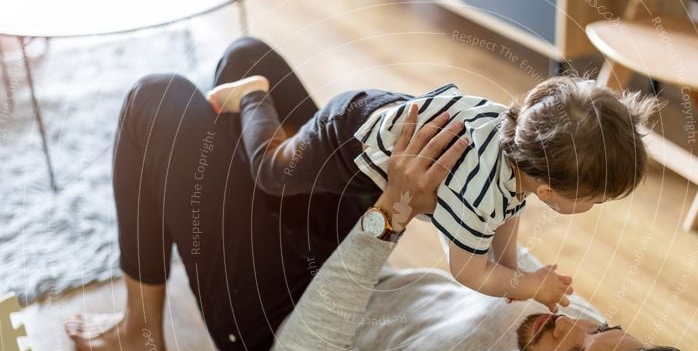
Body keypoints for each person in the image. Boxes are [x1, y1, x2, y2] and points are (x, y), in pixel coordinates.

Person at [65, 37, 690, 351]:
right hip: (355, 263)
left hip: (278, 331)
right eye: (599, 326)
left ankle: (140, 331)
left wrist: (393, 211)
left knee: (156, 99)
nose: (567, 324)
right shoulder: (579, 345)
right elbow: (504, 247)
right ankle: (250, 150)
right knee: (250, 57)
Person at [208, 74, 659, 311]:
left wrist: (511, 270)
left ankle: (277, 111)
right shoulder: (476, 191)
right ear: (548, 189)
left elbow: (508, 210)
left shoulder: (519, 138)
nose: (595, 206)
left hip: (376, 110)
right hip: (343, 139)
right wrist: (528, 285)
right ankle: (253, 95)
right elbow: (466, 270)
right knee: (272, 172)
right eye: (595, 199)